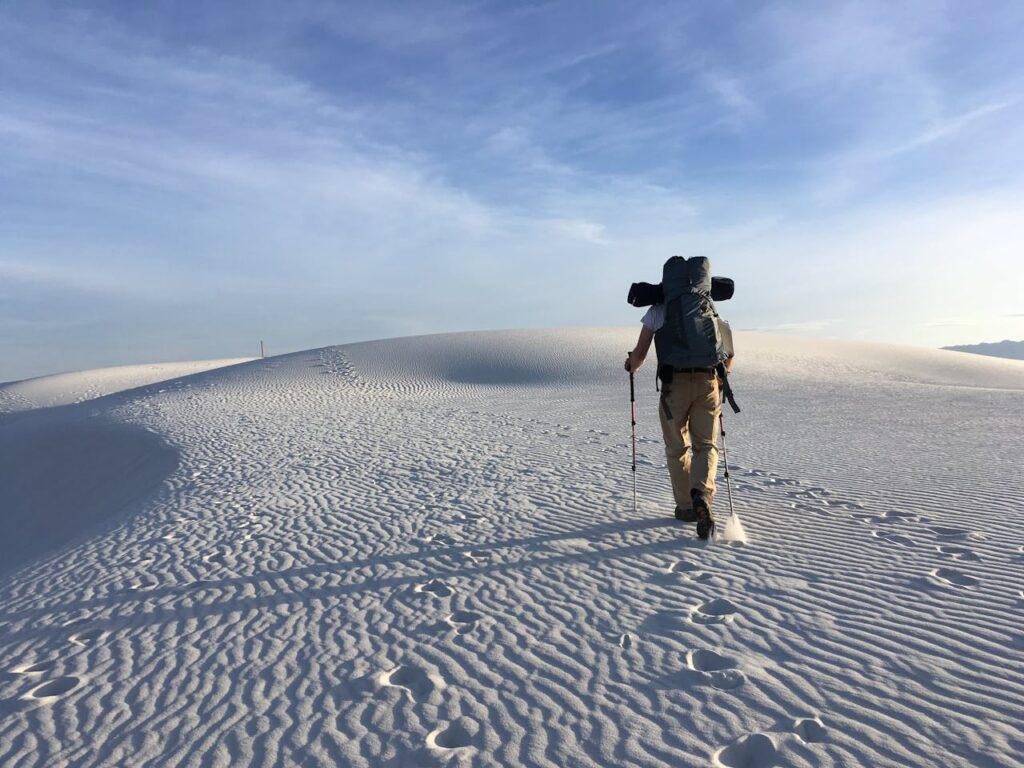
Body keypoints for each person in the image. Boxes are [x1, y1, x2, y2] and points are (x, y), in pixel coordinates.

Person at [624, 302, 733, 539]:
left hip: (674, 387)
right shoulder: (707, 306)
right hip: (708, 382)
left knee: (676, 447)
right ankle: (702, 495)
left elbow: (639, 356)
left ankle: (686, 508)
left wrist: (630, 365)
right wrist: (722, 379)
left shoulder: (657, 311)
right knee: (705, 445)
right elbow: (729, 354)